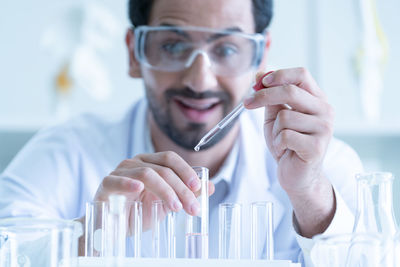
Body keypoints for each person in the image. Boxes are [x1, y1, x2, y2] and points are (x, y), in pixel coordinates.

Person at [0, 0, 363, 265]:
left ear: (260, 57)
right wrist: (93, 233)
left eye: (227, 48)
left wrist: (311, 198)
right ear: (134, 53)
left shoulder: (319, 163)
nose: (199, 80)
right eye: (173, 46)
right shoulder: (68, 151)